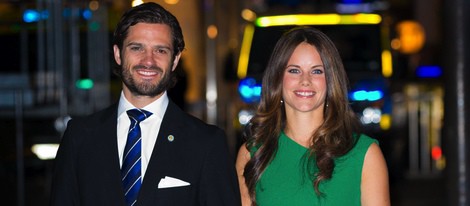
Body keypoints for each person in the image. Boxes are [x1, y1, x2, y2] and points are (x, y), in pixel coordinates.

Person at [50, 2, 240, 206]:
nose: (148, 61)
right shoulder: (80, 137)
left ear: (175, 60)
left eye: (160, 50)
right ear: (118, 54)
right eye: (137, 48)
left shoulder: (207, 144)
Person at [235, 27, 390, 206]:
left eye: (317, 71)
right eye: (294, 70)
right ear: (277, 78)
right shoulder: (253, 154)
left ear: (331, 80)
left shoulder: (364, 154)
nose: (305, 80)